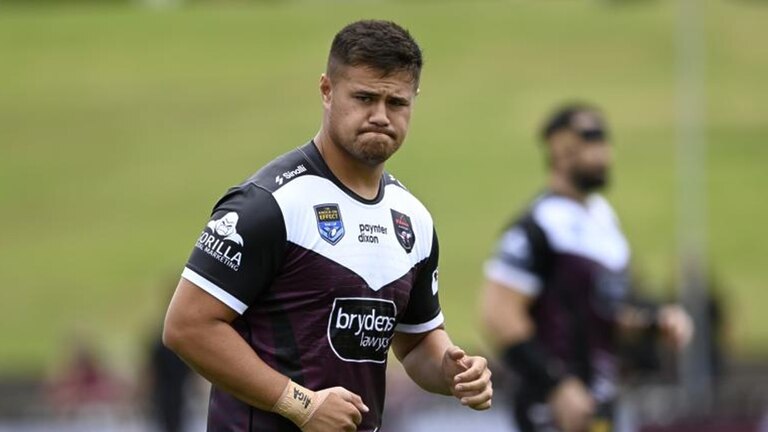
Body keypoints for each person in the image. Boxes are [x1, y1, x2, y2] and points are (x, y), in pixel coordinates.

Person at [163, 20, 492, 432]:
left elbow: (417, 342)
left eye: (397, 103)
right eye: (364, 98)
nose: (380, 116)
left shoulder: (414, 221)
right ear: (326, 90)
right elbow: (187, 327)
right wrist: (299, 404)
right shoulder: (270, 204)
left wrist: (452, 370)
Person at [481, 103, 693, 432]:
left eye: (604, 141)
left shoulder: (603, 218)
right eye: (589, 140)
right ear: (559, 149)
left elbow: (610, 309)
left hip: (601, 400)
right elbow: (498, 314)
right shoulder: (539, 224)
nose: (603, 152)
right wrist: (557, 385)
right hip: (551, 408)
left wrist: (657, 321)